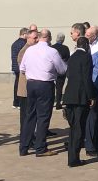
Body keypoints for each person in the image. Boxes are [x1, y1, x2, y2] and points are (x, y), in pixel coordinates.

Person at [19, 27, 67, 157]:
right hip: (45, 84)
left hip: (31, 83)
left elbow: (21, 68)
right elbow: (62, 69)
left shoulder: (29, 50)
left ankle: (23, 147)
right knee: (43, 116)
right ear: (49, 38)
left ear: (39, 37)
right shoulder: (52, 51)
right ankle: (40, 147)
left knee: (30, 115)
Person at [63, 36, 92, 167]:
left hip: (70, 96)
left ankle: (72, 157)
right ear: (86, 45)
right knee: (79, 128)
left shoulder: (72, 56)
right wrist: (91, 96)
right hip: (81, 97)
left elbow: (68, 75)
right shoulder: (86, 57)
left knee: (73, 127)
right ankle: (74, 159)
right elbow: (87, 78)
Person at [13, 28, 37, 135]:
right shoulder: (25, 51)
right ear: (28, 38)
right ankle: (26, 136)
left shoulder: (31, 49)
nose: (37, 40)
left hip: (30, 88)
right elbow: (24, 69)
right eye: (34, 38)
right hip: (25, 89)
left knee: (30, 114)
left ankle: (29, 135)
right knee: (26, 115)